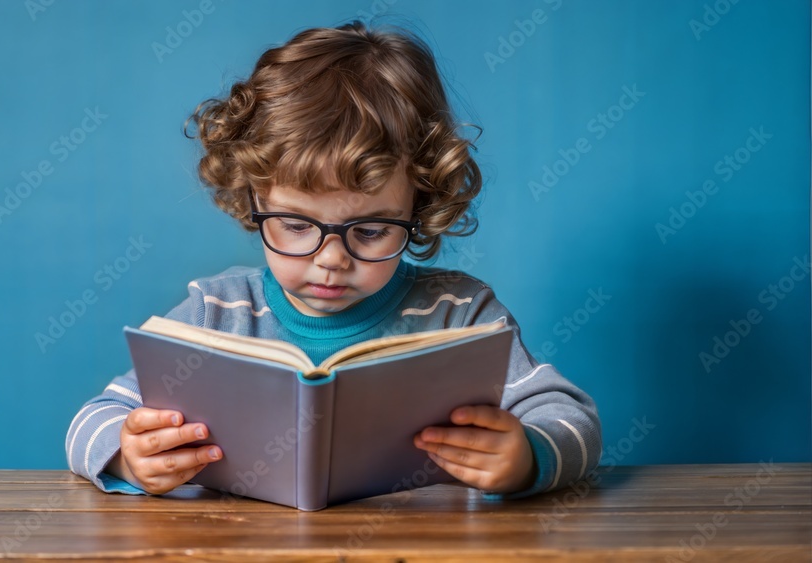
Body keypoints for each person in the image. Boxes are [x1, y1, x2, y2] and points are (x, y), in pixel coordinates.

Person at [66, 20, 600, 499]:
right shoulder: (218, 311)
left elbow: (573, 420)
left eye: (370, 230)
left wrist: (528, 457)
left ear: (421, 204)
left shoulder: (461, 313)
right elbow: (91, 421)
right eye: (297, 226)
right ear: (254, 201)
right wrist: (128, 455)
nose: (331, 260)